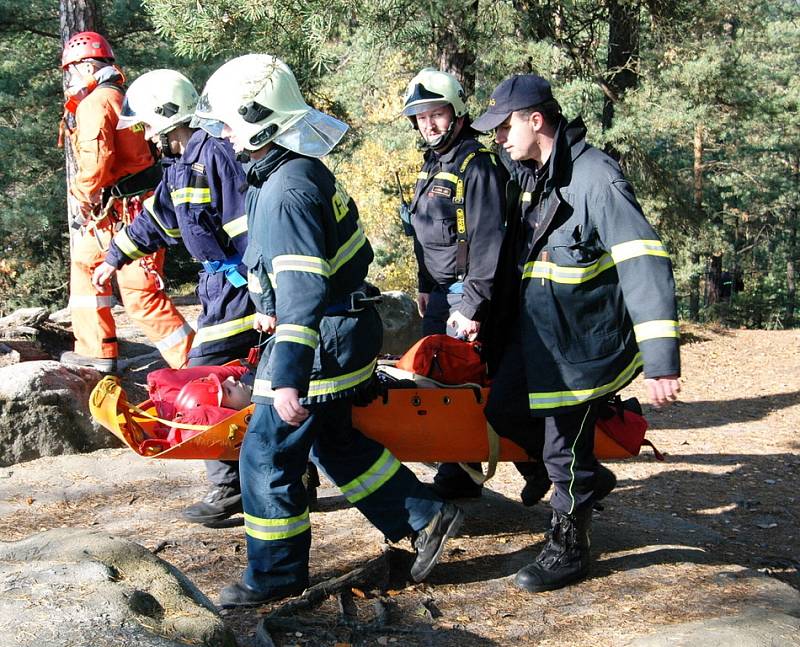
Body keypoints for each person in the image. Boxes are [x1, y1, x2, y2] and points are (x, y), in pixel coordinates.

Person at [192, 53, 464, 607]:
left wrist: (288, 375)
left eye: (226, 120)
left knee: (267, 453)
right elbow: (328, 263)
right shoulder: (297, 169)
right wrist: (269, 297)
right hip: (343, 329)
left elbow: (305, 293)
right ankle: (426, 514)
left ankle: (273, 577)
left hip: (317, 341)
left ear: (257, 118)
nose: (220, 131)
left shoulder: (286, 191)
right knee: (331, 439)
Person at [472, 74, 681, 592]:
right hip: (541, 338)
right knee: (503, 411)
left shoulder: (596, 178)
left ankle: (569, 549)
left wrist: (661, 360)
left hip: (583, 347)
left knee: (563, 445)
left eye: (504, 127)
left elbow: (643, 262)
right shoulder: (534, 172)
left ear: (535, 120)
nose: (498, 138)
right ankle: (586, 480)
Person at [90, 69, 258, 526]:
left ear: (168, 120)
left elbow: (249, 232)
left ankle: (229, 492)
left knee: (204, 385)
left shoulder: (216, 157)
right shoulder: (182, 164)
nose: (143, 137)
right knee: (258, 386)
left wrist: (267, 297)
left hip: (242, 292)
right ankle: (288, 479)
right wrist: (113, 257)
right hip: (221, 290)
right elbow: (157, 220)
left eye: (146, 127)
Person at [400, 68, 548, 503]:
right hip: (442, 295)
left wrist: (472, 305)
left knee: (466, 391)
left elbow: (487, 241)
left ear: (458, 114)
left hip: (468, 294)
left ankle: (538, 466)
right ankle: (460, 472)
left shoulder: (475, 165)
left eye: (437, 114)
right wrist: (425, 284)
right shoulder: (434, 166)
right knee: (444, 389)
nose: (428, 124)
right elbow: (426, 233)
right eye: (421, 116)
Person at [59, 32, 194, 373]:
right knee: (86, 263)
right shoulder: (120, 96)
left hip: (128, 210)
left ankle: (195, 366)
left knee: (140, 292)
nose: (70, 81)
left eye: (71, 73)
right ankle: (96, 351)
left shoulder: (96, 103)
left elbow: (97, 161)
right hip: (122, 209)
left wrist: (82, 196)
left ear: (86, 67)